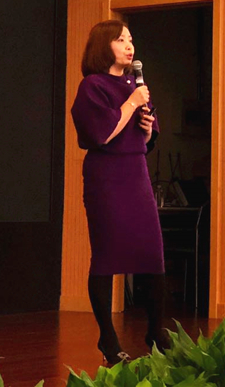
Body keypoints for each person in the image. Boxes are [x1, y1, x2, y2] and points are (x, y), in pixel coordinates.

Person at [71, 20, 168, 364]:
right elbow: (101, 134)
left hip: (136, 173)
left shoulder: (135, 84)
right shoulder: (92, 86)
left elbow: (145, 138)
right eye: (121, 40)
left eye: (130, 39)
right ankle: (108, 338)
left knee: (152, 253)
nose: (129, 46)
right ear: (104, 46)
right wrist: (130, 104)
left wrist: (147, 130)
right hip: (107, 177)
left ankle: (156, 331)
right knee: (107, 254)